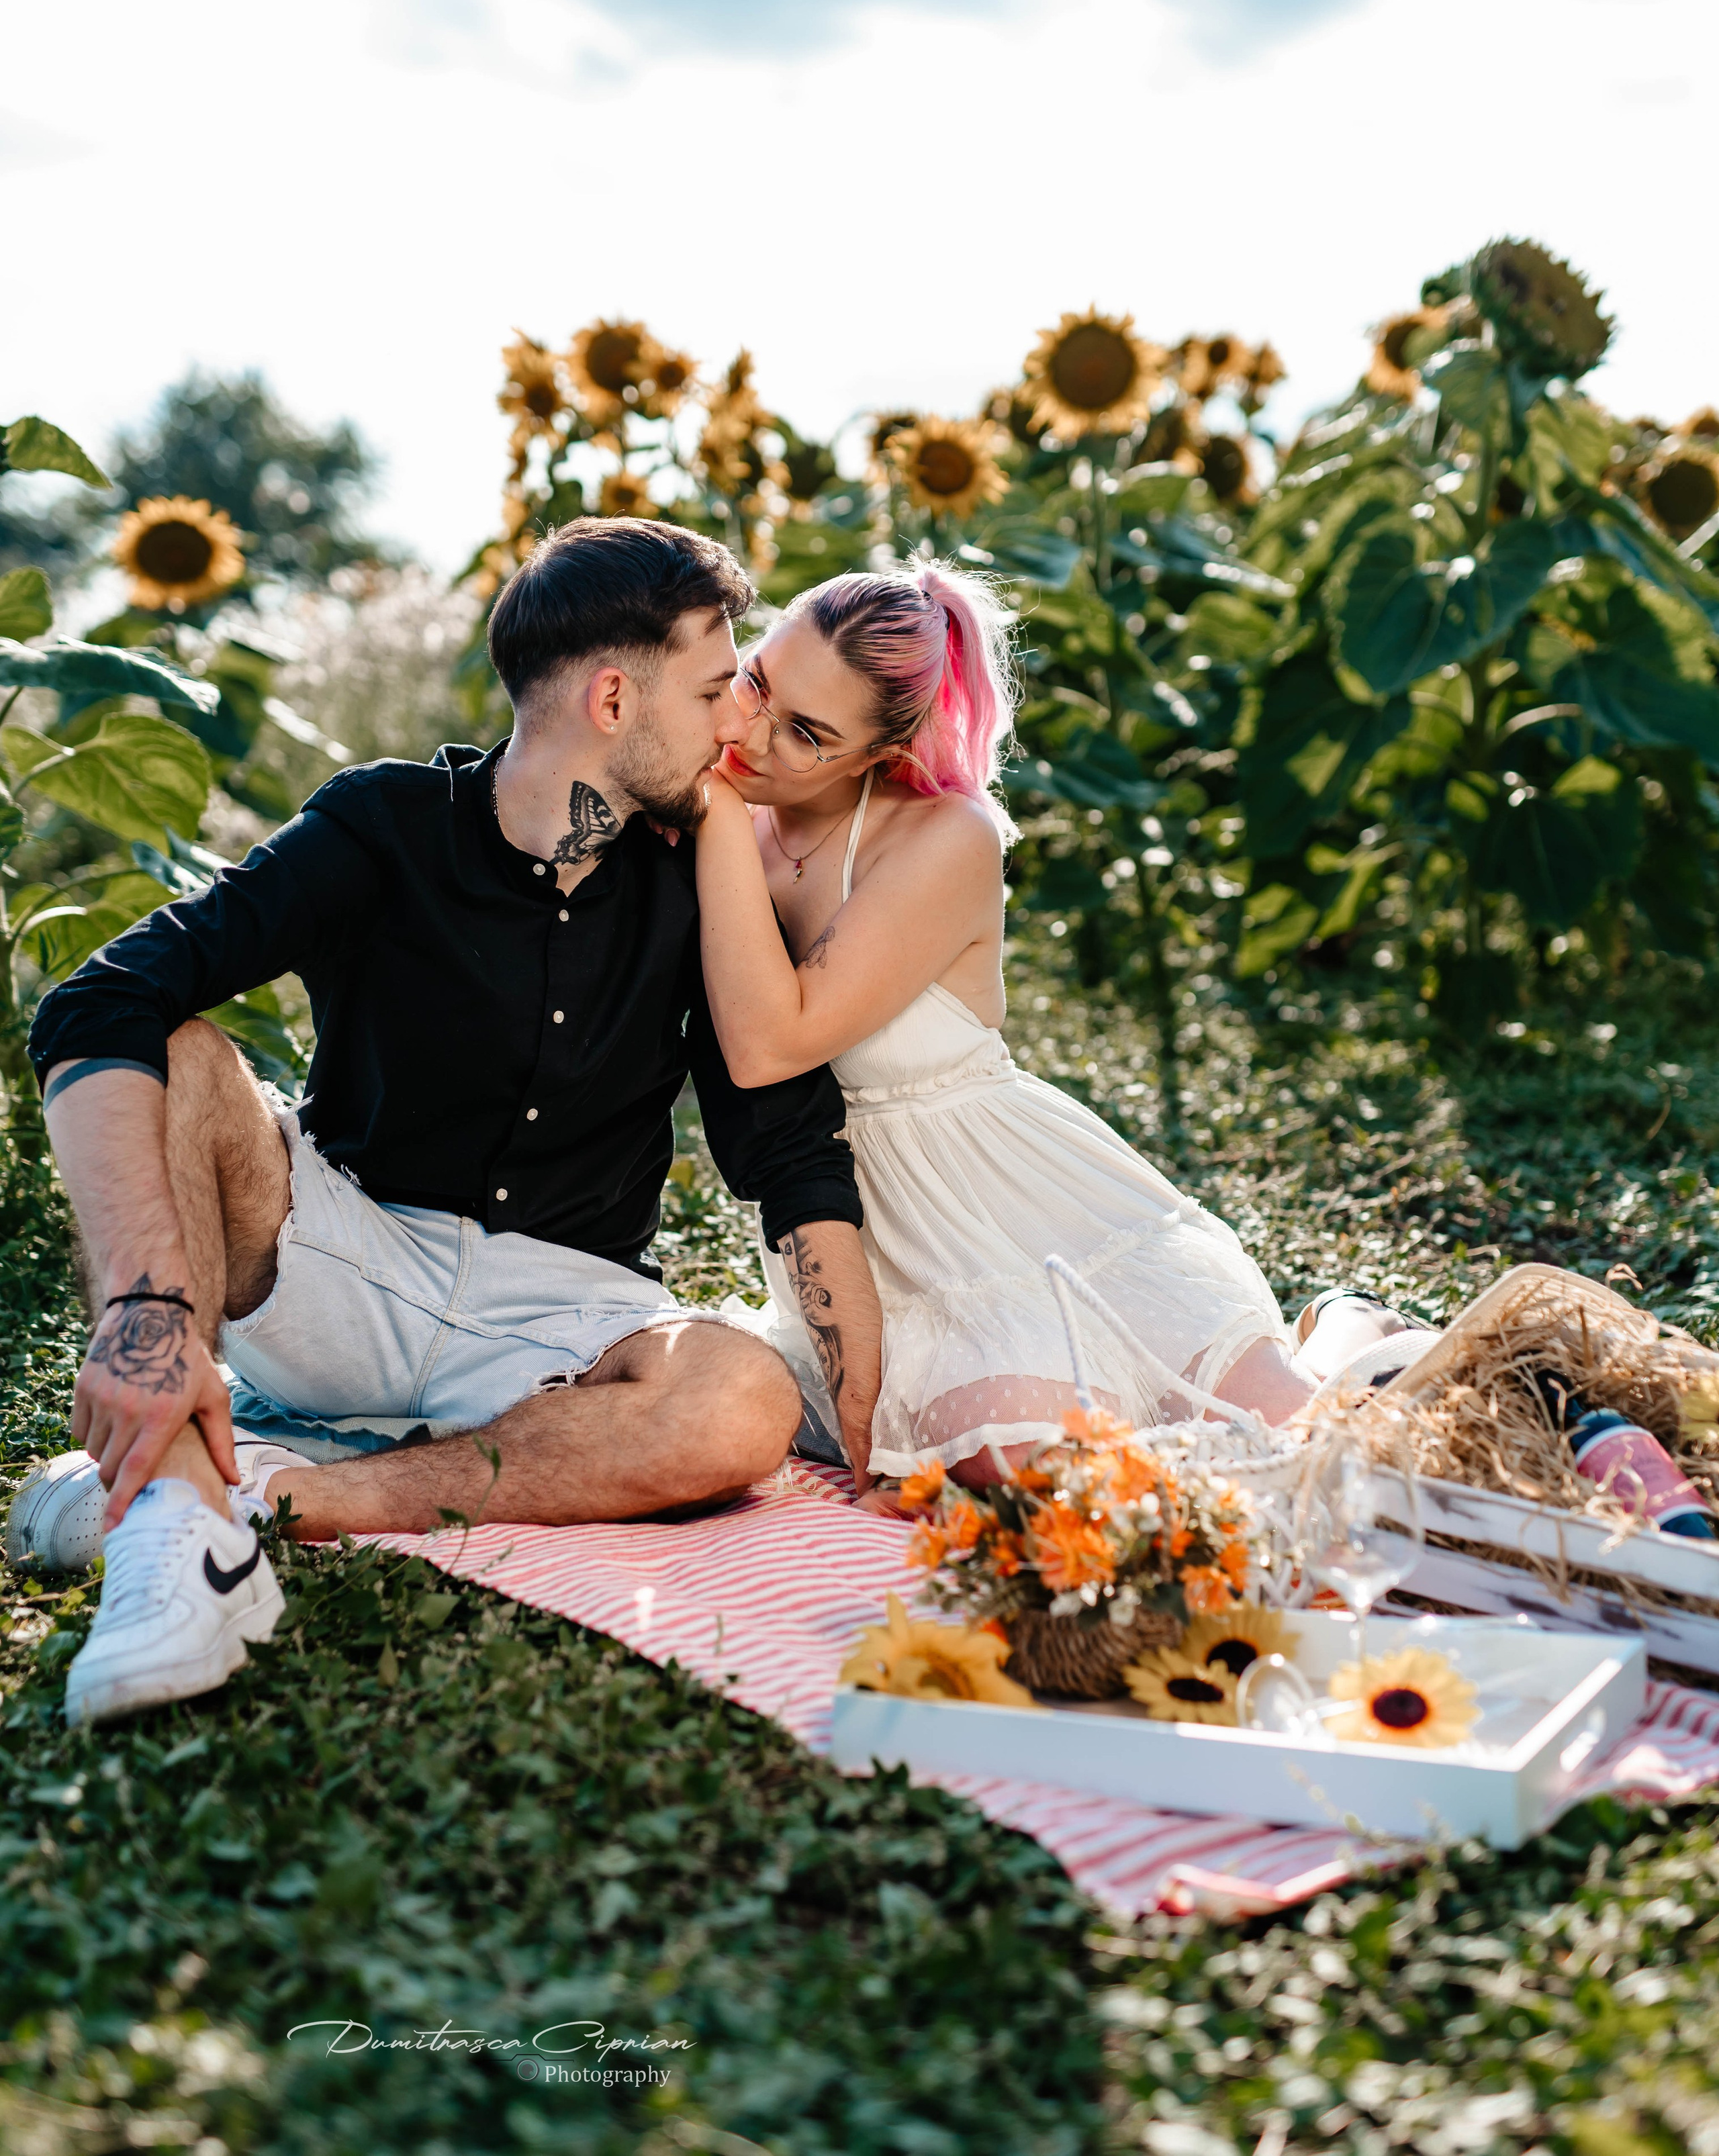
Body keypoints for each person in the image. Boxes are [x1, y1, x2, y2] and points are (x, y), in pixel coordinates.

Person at [13, 518, 888, 1727]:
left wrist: (865, 1419)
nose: (736, 722)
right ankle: (172, 1531)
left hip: (558, 1323)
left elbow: (786, 1150)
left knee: (739, 1399)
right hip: (341, 1260)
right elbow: (99, 997)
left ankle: (259, 1505)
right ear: (614, 694)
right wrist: (144, 1316)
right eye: (709, 688)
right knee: (174, 1049)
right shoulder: (384, 828)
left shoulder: (704, 873)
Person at [690, 559, 1407, 1495]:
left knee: (1294, 1441)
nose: (752, 735)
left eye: (807, 735)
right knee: (1024, 1465)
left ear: (875, 752)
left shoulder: (945, 837)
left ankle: (1348, 1325)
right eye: (757, 684)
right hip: (875, 1246)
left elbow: (771, 1042)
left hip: (1021, 1212)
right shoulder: (742, 819)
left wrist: (708, 804)